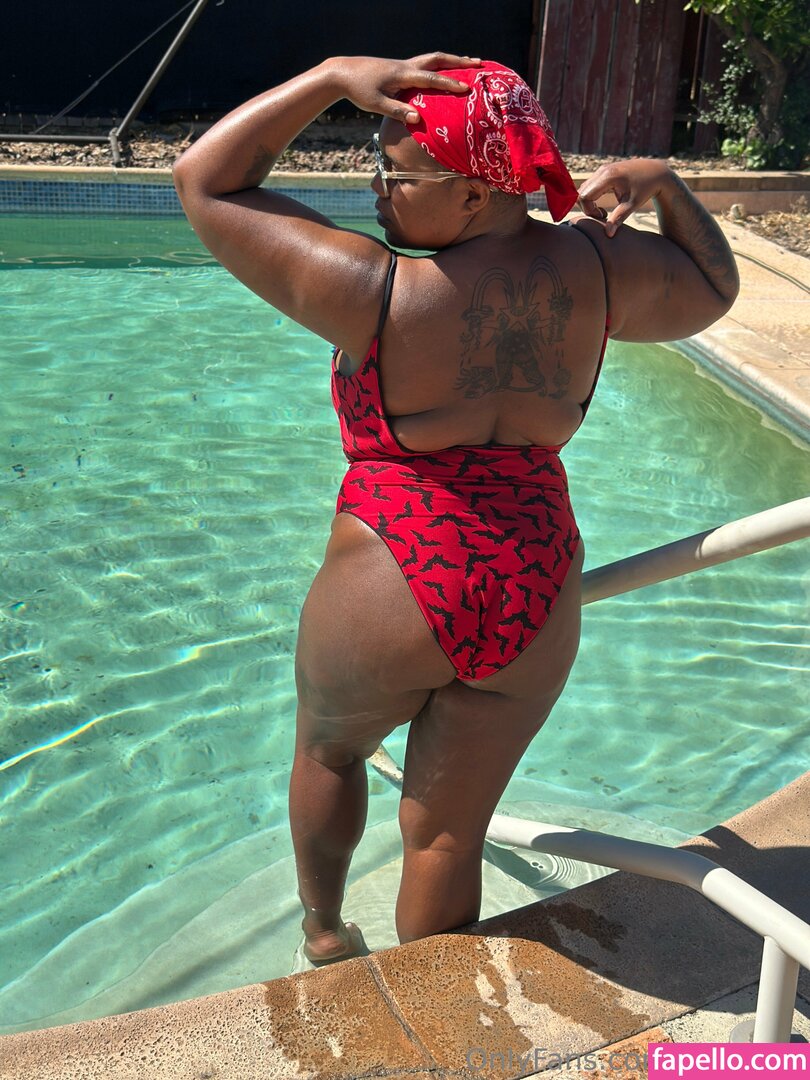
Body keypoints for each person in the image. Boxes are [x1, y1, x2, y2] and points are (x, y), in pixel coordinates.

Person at [173, 53, 739, 965]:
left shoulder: (374, 290)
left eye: (394, 172)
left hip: (396, 571)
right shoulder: (599, 271)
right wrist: (667, 184)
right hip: (532, 586)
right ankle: (438, 1000)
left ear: (475, 194)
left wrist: (330, 77)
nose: (375, 188)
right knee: (446, 835)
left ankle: (325, 937)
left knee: (329, 753)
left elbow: (203, 180)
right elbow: (713, 288)